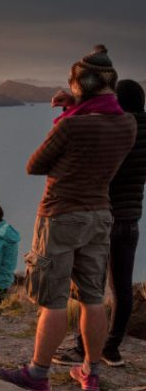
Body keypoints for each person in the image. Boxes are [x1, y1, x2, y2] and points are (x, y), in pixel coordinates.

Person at [0, 45, 135, 391]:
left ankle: (38, 373)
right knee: (93, 297)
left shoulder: (71, 128)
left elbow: (34, 164)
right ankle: (90, 371)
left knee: (54, 300)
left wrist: (70, 115)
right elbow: (101, 124)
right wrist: (76, 108)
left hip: (60, 215)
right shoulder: (127, 124)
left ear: (83, 82)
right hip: (100, 215)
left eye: (74, 83)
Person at [53, 79, 146, 368]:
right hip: (131, 220)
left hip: (103, 217)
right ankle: (112, 348)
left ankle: (83, 349)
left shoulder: (117, 129)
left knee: (90, 289)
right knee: (122, 288)